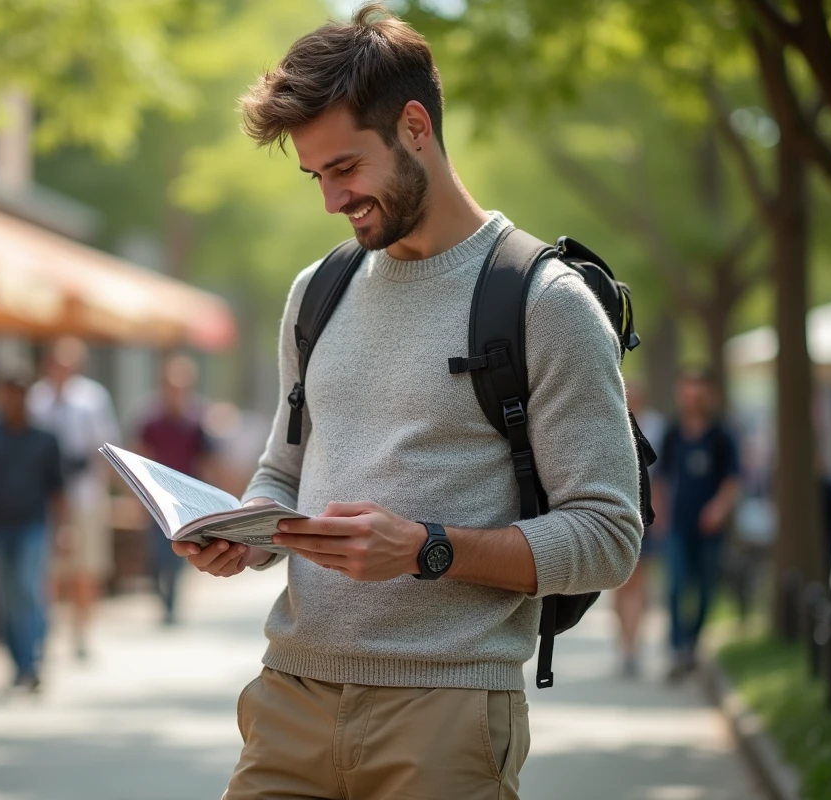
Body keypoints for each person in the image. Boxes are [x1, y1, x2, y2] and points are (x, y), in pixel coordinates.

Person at [173, 7, 644, 798]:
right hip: (288, 697)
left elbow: (607, 535)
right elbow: (283, 472)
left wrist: (429, 547)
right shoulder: (315, 292)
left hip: (449, 711)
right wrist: (245, 533)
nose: (331, 199)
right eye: (315, 175)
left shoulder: (545, 302)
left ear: (415, 126)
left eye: (345, 168)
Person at [0, 368, 65, 691]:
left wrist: (63, 529)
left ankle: (30, 663)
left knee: (27, 591)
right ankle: (18, 662)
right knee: (5, 601)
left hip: (33, 526)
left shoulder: (45, 439)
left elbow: (57, 489)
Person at [27, 337, 120, 661]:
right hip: (44, 495)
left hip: (83, 495)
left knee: (85, 567)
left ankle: (81, 632)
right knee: (47, 568)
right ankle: (45, 633)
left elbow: (105, 449)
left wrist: (105, 496)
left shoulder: (92, 399)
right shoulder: (36, 398)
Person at [656, 368, 741, 680]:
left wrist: (718, 509)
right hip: (678, 527)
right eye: (687, 389)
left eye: (699, 390)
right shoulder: (672, 432)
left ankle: (692, 642)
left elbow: (733, 480)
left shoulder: (721, 435)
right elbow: (662, 479)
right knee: (676, 587)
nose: (693, 396)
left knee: (706, 589)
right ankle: (678, 649)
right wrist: (660, 516)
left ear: (708, 394)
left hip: (711, 531)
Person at [136, 354, 216, 626]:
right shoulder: (151, 421)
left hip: (186, 500)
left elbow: (206, 462)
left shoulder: (196, 422)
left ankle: (172, 603)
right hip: (156, 497)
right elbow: (140, 455)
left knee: (180, 552)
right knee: (157, 554)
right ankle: (162, 597)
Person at [614, 382, 666, 679]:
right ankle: (625, 643)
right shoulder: (612, 422)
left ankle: (632, 647)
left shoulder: (657, 428)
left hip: (645, 516)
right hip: (618, 514)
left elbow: (661, 478)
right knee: (621, 585)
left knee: (638, 581)